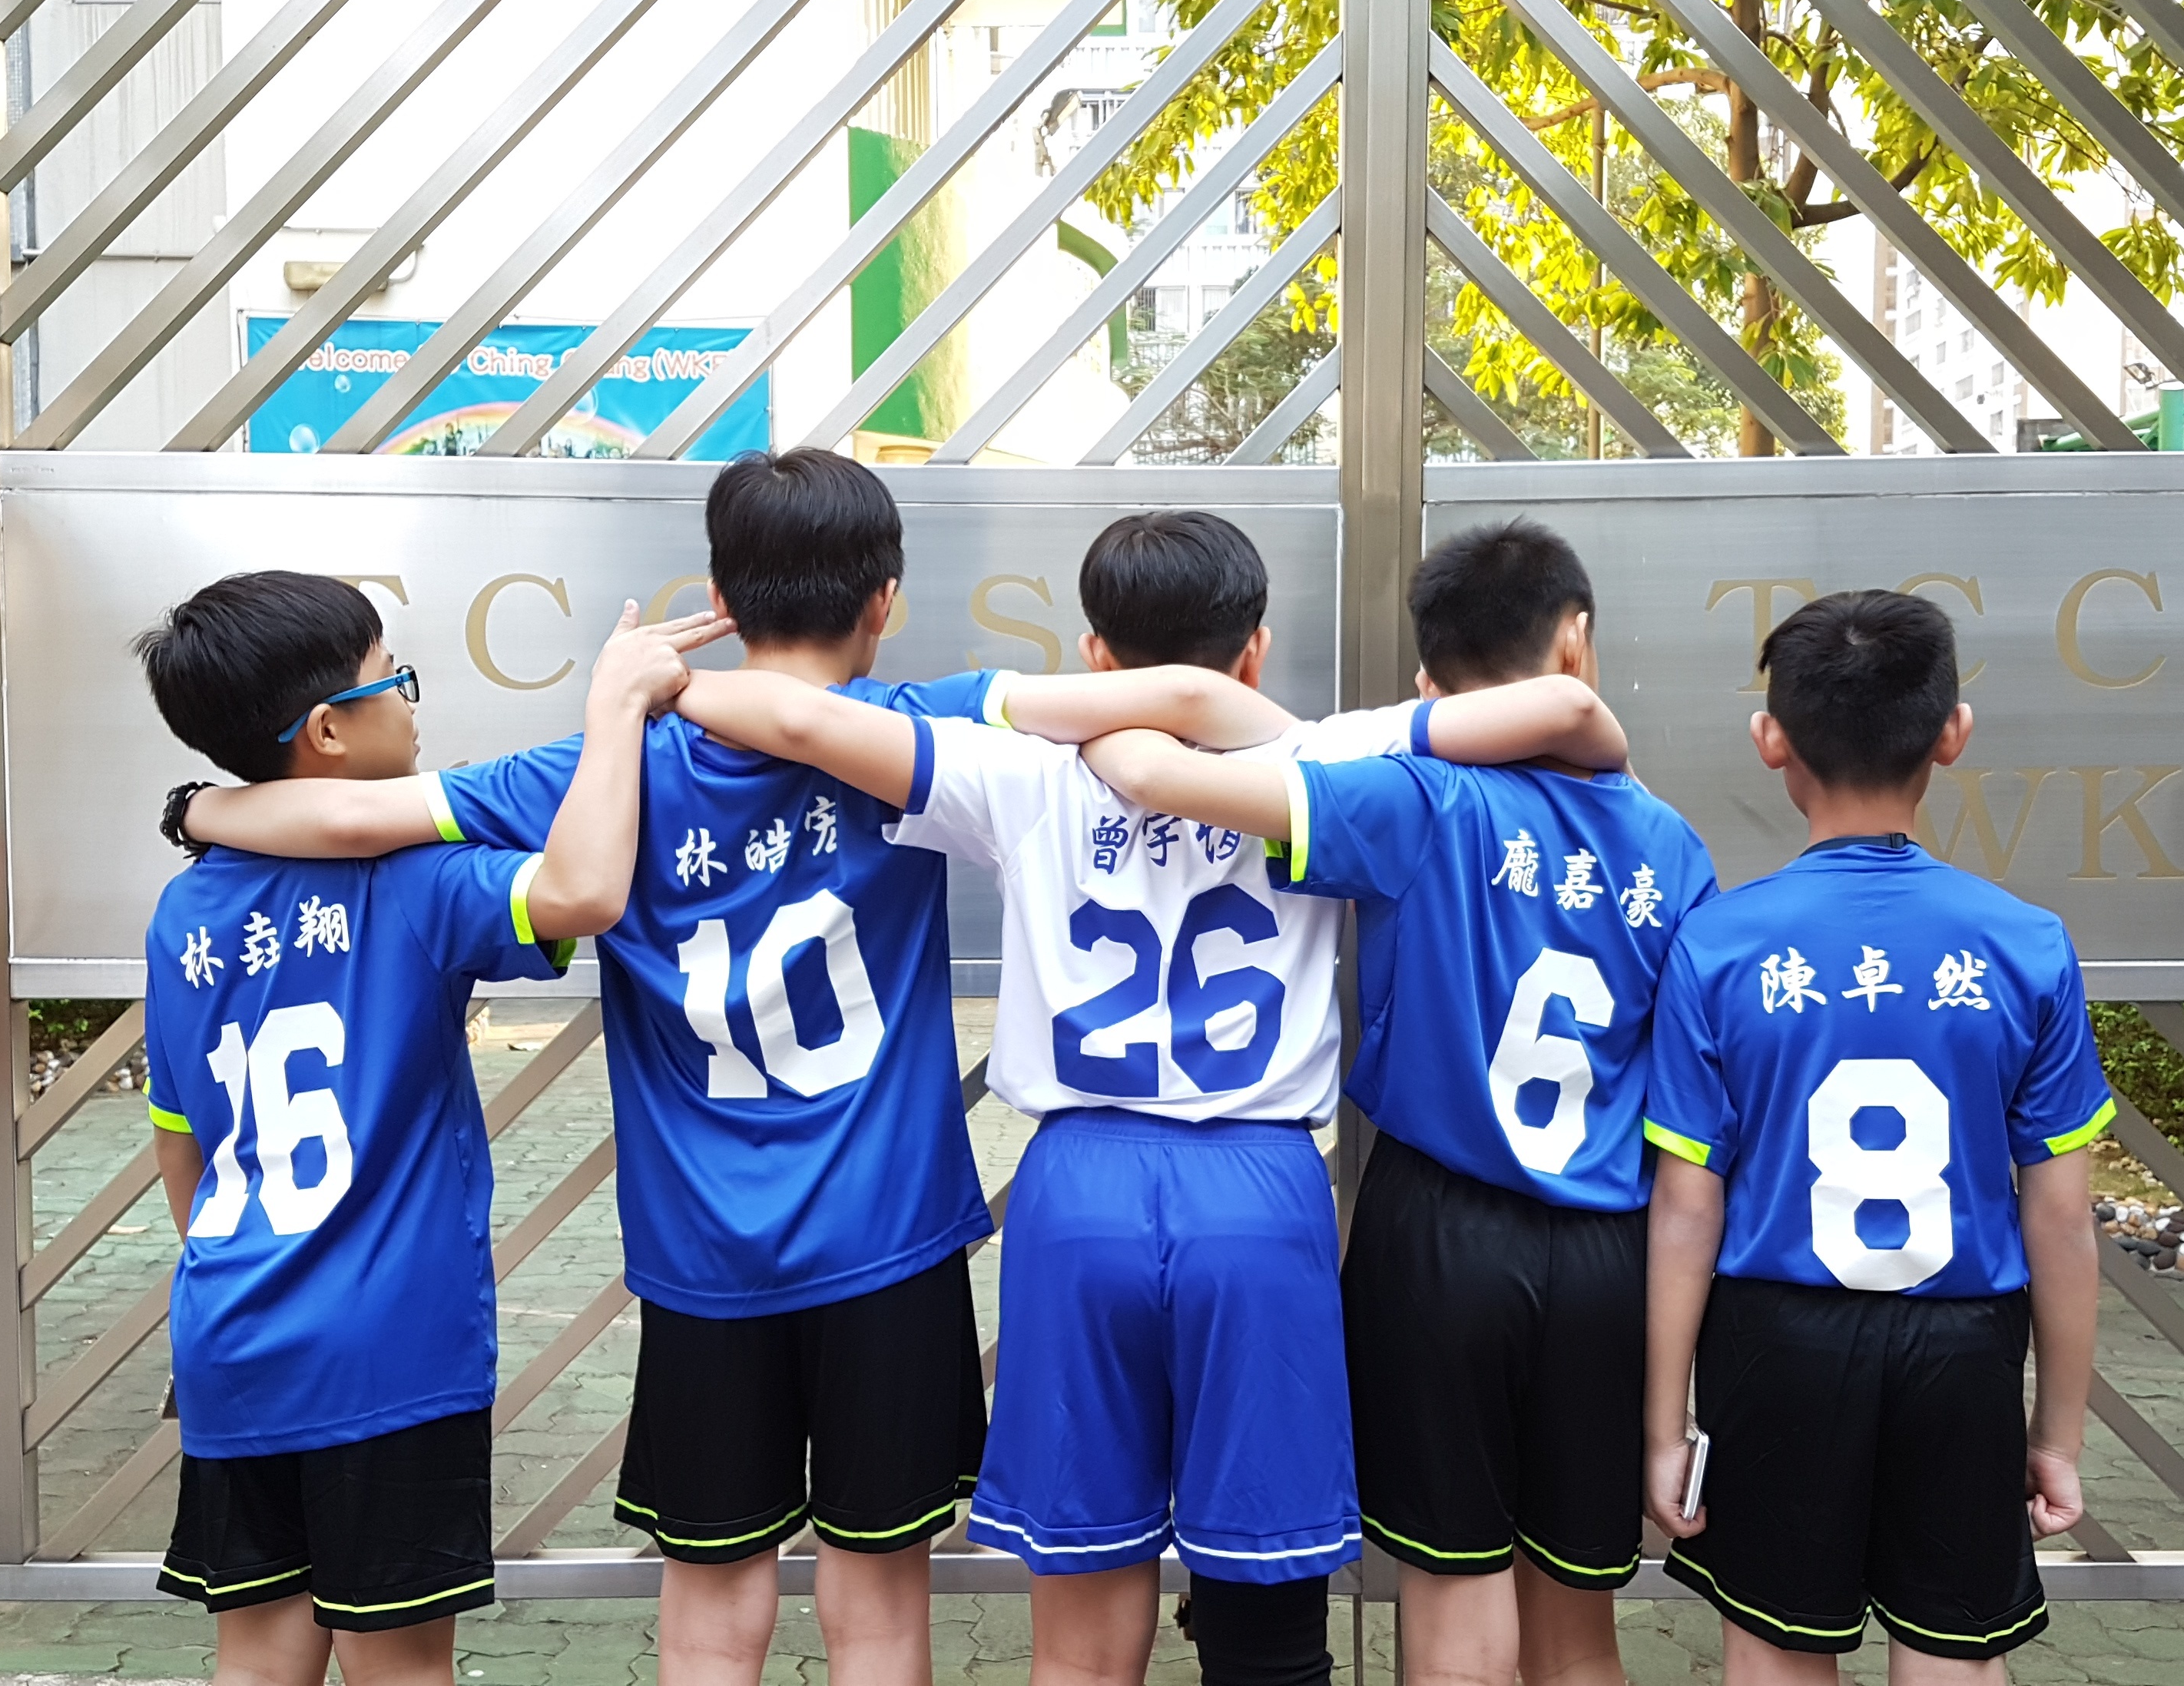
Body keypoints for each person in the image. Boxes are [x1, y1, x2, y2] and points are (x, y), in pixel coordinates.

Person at [175, 452, 1295, 1686]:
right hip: (888, 1240)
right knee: (878, 1602)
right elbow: (1166, 702)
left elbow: (344, 819)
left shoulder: (602, 766)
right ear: (885, 600)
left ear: (718, 594)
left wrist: (201, 813)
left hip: (702, 1256)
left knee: (712, 1606)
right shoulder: (913, 729)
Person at [669, 510, 1630, 1686]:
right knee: (1268, 1623)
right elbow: (1563, 714)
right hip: (1260, 1195)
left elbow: (801, 720)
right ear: (1255, 649)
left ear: (1092, 653)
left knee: (1081, 1638)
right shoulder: (1331, 755)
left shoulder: (1019, 772)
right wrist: (1218, 720)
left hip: (1078, 1196)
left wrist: (664, 685)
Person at [1077, 519, 1719, 1686]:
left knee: (1454, 1595)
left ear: (1429, 680)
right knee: (1579, 1629)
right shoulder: (1672, 848)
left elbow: (1182, 777)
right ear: (1575, 643)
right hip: (1605, 1250)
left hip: (1438, 1233)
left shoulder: (1413, 798)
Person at [135, 572, 685, 1686]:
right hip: (388, 1350)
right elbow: (584, 889)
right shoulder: (420, 883)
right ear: (329, 730)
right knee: (400, 1664)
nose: (411, 704)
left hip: (231, 1332)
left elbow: (180, 1140)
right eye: (395, 679)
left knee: (259, 1656)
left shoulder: (183, 911)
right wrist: (619, 706)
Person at [1640, 588, 2106, 1684]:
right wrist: (2056, 1436)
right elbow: (2062, 1218)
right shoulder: (2028, 945)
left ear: (1772, 740)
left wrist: (1665, 1429)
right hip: (1963, 1346)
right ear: (1953, 732)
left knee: (1776, 1648)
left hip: (1776, 1341)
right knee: (1952, 1650)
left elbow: (1687, 1208)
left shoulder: (1717, 944)